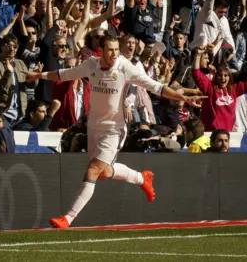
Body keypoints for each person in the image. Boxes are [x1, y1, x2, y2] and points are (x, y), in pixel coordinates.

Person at [26, 35, 204, 229]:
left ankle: (67, 218)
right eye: (110, 50)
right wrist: (39, 76)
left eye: (116, 50)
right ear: (100, 51)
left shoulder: (125, 67)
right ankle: (141, 178)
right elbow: (65, 74)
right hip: (94, 126)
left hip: (114, 129)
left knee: (93, 170)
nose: (114, 54)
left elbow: (156, 87)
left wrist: (181, 97)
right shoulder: (91, 64)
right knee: (104, 173)